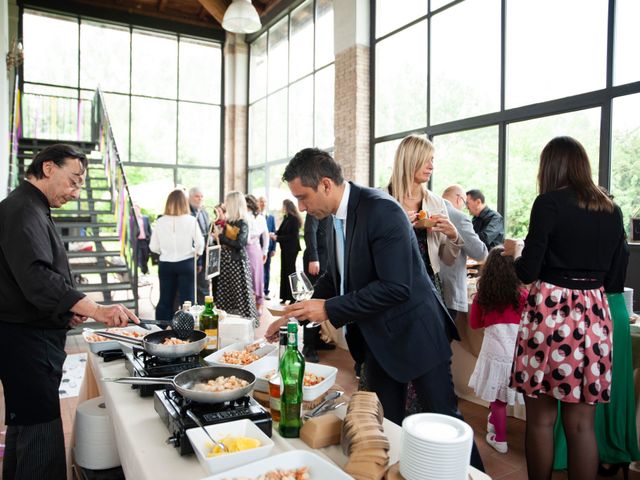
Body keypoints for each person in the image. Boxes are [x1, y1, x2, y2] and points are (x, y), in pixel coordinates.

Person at [266, 148, 484, 471]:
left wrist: (328, 309)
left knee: (445, 422)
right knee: (386, 427)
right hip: (378, 339)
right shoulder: (329, 217)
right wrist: (295, 312)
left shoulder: (381, 210)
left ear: (326, 185)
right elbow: (335, 275)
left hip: (416, 332)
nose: (300, 207)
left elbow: (397, 287)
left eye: (303, 197)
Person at [0, 143, 139, 479]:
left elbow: (31, 282)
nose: (76, 192)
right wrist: (96, 310)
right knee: (40, 433)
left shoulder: (28, 207)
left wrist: (67, 310)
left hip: (24, 336)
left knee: (24, 424)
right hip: (26, 343)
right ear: (48, 168)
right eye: (74, 180)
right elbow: (36, 277)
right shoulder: (22, 210)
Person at [505, 136, 627, 480]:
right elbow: (616, 280)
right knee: (581, 426)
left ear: (551, 168)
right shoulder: (611, 209)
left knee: (542, 420)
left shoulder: (548, 204)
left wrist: (515, 256)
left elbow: (528, 271)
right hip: (594, 314)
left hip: (551, 312)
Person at [552, 193, 639, 476]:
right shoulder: (619, 239)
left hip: (594, 308)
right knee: (610, 388)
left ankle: (579, 452)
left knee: (580, 393)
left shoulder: (582, 241)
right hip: (616, 309)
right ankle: (612, 451)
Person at [468, 247, 527, 454]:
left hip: (494, 355)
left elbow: (474, 324)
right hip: (517, 356)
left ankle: (499, 439)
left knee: (498, 400)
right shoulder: (523, 296)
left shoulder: (483, 296)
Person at [387, 135, 463, 296]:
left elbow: (447, 260)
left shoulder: (436, 202)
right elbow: (367, 251)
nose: (431, 166)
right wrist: (397, 229)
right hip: (389, 285)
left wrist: (453, 236)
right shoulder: (381, 200)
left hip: (429, 287)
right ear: (409, 161)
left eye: (432, 160)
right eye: (426, 160)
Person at [150, 189, 205, 321]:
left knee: (165, 300)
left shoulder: (160, 221)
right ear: (184, 203)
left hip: (166, 264)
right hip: (186, 263)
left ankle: (161, 331)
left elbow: (153, 247)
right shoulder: (191, 220)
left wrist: (164, 252)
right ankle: (188, 331)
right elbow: (200, 244)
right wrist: (195, 254)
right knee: (188, 301)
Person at [441, 185, 488, 320]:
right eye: (465, 203)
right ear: (458, 199)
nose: (465, 207)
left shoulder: (428, 210)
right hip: (448, 290)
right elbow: (479, 253)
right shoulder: (458, 217)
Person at [214, 191, 259, 324]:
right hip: (227, 262)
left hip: (236, 263)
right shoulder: (229, 221)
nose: (225, 205)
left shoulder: (242, 222)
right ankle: (227, 323)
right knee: (226, 295)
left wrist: (221, 237)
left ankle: (243, 324)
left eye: (227, 202)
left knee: (239, 296)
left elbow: (240, 244)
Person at [302, 213, 335, 362]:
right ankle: (308, 345)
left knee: (322, 302)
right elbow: (310, 230)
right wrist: (313, 257)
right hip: (316, 260)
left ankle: (316, 340)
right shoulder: (315, 206)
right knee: (313, 300)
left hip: (327, 260)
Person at [272, 199, 302, 304]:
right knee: (283, 271)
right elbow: (281, 231)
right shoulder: (286, 218)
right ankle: (284, 296)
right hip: (285, 248)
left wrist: (277, 238)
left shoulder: (294, 219)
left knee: (290, 272)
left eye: (283, 206)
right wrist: (274, 234)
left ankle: (293, 297)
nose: (282, 208)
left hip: (292, 249)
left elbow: (292, 236)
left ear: (287, 207)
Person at [245, 194, 269, 315]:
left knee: (249, 276)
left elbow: (247, 237)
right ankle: (259, 303)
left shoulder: (246, 217)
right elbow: (266, 236)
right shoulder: (261, 217)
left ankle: (252, 304)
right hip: (258, 249)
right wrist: (265, 251)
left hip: (248, 248)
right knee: (258, 277)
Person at [189, 186, 212, 305]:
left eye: (202, 196)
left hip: (205, 256)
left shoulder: (204, 211)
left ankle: (204, 313)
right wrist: (198, 261)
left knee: (204, 287)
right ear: (190, 197)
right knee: (192, 288)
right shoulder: (187, 212)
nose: (200, 199)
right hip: (193, 256)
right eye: (197, 196)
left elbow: (207, 233)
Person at [258, 196, 276, 300]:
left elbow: (273, 233)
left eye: (264, 201)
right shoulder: (255, 216)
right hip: (257, 247)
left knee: (267, 269)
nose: (263, 203)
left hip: (268, 248)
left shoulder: (271, 217)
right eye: (261, 201)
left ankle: (266, 291)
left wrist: (273, 249)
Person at [131, 204, 152, 276]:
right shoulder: (131, 219)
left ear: (139, 209)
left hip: (145, 240)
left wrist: (150, 238)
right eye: (134, 209)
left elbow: (149, 229)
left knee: (145, 256)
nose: (135, 210)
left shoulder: (145, 218)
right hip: (137, 241)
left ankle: (145, 270)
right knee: (138, 256)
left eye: (136, 209)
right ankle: (139, 271)